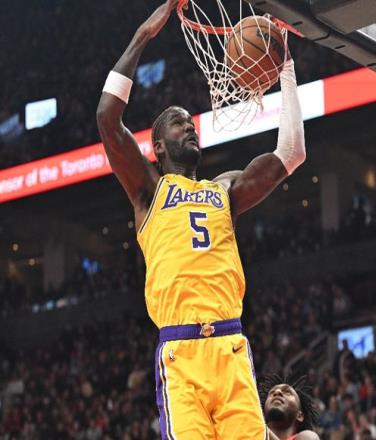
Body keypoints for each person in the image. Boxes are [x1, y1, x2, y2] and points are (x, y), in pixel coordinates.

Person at [96, 1, 305, 439]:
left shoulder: (224, 190)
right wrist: (143, 34)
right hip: (181, 354)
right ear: (157, 147)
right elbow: (107, 119)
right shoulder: (148, 190)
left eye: (190, 122)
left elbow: (291, 154)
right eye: (177, 123)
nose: (189, 126)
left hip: (230, 347)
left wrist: (286, 67)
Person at [260, 375, 319, 440]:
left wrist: (260, 427)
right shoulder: (252, 433)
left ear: (299, 415)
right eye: (271, 393)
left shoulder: (308, 436)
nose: (277, 392)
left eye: (287, 392)